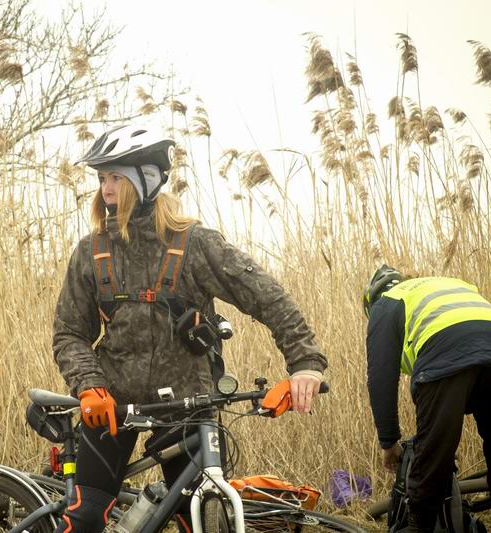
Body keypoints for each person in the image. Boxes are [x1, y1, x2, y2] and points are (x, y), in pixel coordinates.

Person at [51, 124, 327, 532]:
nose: (106, 189)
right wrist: (89, 385)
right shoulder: (91, 251)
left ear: (144, 180)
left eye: (115, 177)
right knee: (86, 516)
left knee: (200, 518)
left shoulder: (195, 243)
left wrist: (305, 363)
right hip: (114, 407)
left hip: (187, 405)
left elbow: (268, 298)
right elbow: (69, 333)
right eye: (102, 178)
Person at [363, 265, 491, 532]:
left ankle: (420, 527)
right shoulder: (442, 285)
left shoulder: (386, 303)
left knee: (434, 455)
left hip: (444, 346)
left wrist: (388, 441)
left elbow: (380, 376)